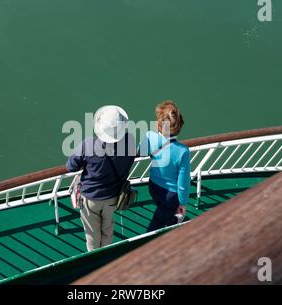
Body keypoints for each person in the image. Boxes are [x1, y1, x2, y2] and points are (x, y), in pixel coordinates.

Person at [66, 105, 135, 251]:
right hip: (112, 197)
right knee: (107, 229)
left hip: (90, 198)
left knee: (92, 233)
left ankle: (94, 259)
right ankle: (105, 256)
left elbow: (71, 166)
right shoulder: (130, 141)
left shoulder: (89, 144)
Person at [138, 100, 190, 232]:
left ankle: (170, 217)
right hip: (171, 196)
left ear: (159, 125)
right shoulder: (183, 151)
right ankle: (172, 221)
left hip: (154, 187)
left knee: (162, 209)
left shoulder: (150, 137)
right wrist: (183, 203)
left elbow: (141, 151)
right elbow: (183, 182)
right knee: (156, 224)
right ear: (179, 126)